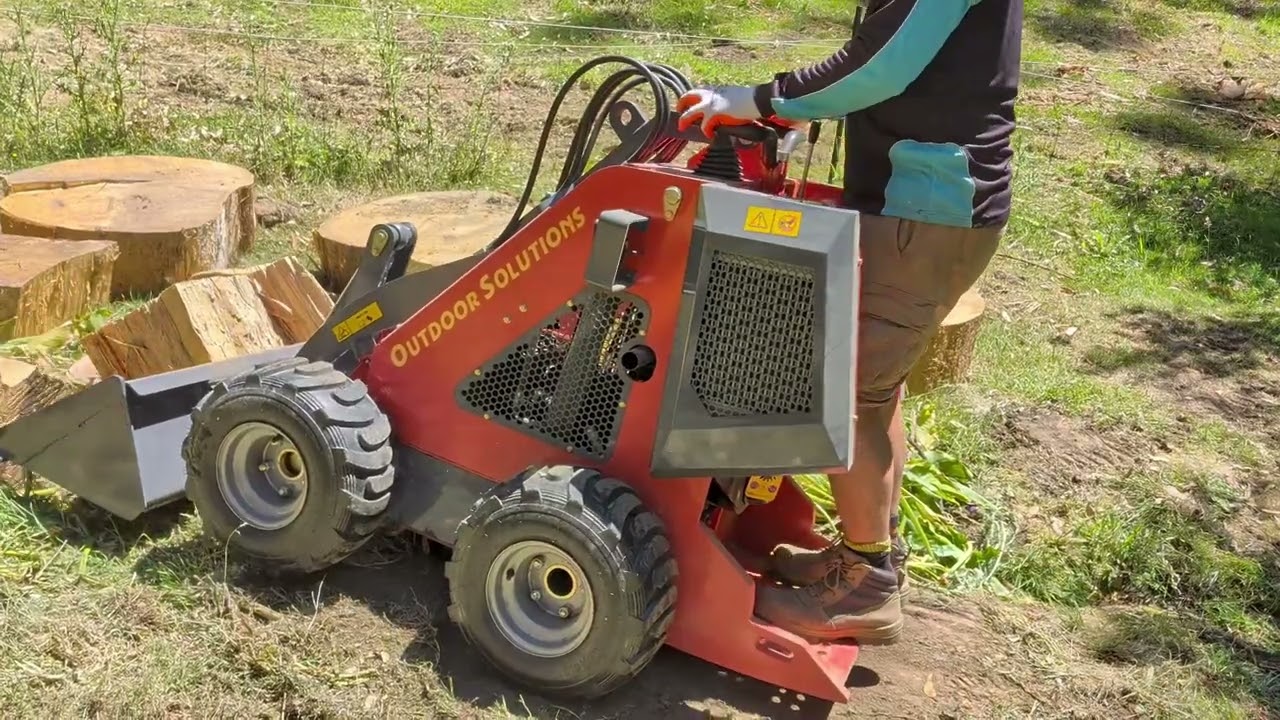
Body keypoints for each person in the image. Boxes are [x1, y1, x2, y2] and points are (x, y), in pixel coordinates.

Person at [676, 0, 1023, 645]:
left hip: (924, 210)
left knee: (843, 395)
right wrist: (779, 106)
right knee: (871, 388)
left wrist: (758, 99)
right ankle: (866, 557)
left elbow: (880, 69)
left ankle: (865, 587)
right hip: (925, 208)